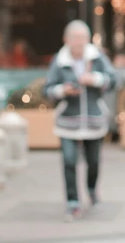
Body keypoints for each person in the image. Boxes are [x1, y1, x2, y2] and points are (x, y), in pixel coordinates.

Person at [44, 20, 117, 221]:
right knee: (69, 161)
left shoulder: (98, 58)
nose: (79, 42)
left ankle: (92, 189)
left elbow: (113, 80)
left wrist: (94, 79)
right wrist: (63, 90)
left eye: (82, 37)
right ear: (66, 40)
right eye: (75, 37)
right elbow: (48, 90)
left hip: (94, 120)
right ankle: (73, 201)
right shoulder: (58, 61)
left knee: (93, 161)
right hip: (67, 121)